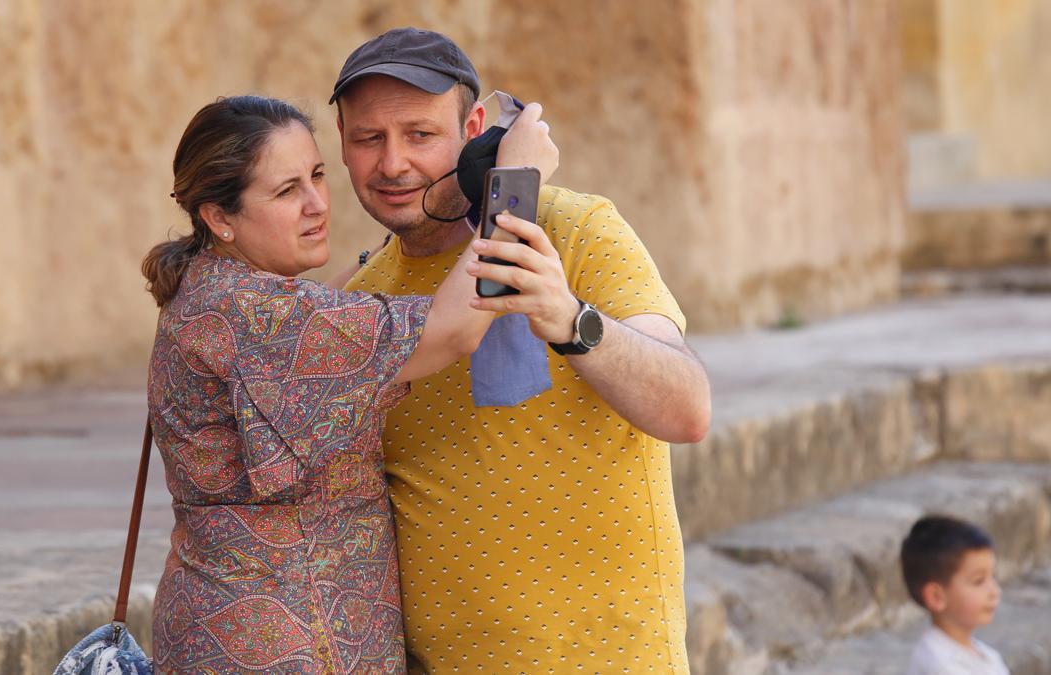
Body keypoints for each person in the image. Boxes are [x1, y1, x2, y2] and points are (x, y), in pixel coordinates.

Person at [335, 27, 712, 673]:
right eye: (369, 138)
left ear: (477, 130)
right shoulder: (359, 300)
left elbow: (687, 409)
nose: (393, 164)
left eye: (420, 135)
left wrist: (569, 319)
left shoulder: (577, 228)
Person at [140, 95, 558, 673]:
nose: (317, 205)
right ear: (219, 217)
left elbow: (329, 320)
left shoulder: (213, 290)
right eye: (286, 192)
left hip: (240, 629)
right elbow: (454, 328)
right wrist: (516, 185)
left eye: (317, 176)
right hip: (286, 645)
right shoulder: (251, 313)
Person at [901, 515, 1009, 675]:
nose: (994, 591)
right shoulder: (938, 665)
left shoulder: (985, 654)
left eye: (993, 577)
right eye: (978, 581)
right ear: (936, 596)